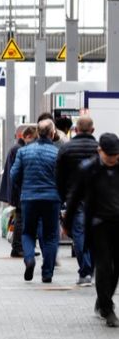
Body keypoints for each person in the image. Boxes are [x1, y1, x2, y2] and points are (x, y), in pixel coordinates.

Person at [65, 133, 119, 328]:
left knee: (116, 269)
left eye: (116, 155)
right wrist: (68, 222)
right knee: (104, 267)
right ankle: (107, 309)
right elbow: (75, 196)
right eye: (109, 155)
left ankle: (104, 299)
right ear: (100, 151)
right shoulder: (88, 169)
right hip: (98, 225)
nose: (113, 159)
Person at [11, 119, 61, 284]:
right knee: (51, 236)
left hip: (29, 198)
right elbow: (63, 178)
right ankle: (47, 273)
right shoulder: (57, 153)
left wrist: (24, 187)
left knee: (28, 232)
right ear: (53, 134)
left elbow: (14, 175)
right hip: (52, 199)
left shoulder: (24, 152)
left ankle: (30, 259)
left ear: (38, 133)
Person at [56, 115, 98, 286]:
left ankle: (85, 270)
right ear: (92, 130)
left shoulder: (66, 149)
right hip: (96, 198)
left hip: (74, 197)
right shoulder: (99, 149)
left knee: (79, 234)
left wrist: (62, 197)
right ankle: (91, 268)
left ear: (76, 130)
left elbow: (58, 176)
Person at [0, 126, 37, 258]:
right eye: (34, 138)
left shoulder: (16, 148)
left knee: (21, 218)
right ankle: (18, 247)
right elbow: (17, 173)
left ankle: (21, 247)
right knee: (21, 219)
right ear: (26, 137)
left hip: (17, 191)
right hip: (19, 191)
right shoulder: (19, 150)